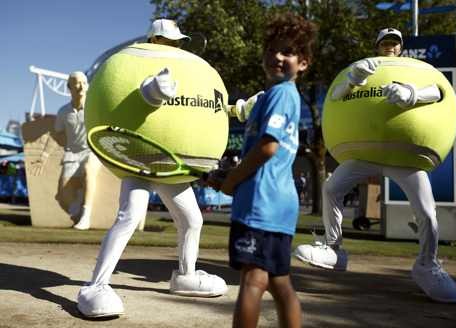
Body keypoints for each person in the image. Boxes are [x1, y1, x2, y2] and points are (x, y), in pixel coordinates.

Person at [294, 28, 456, 303]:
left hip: (405, 158)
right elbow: (336, 96)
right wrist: (352, 81)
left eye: (394, 43)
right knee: (332, 188)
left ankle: (427, 265)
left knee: (428, 214)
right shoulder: (364, 69)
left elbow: (440, 92)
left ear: (400, 47)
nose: (390, 47)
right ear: (376, 45)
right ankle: (333, 248)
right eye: (384, 42)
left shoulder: (415, 71)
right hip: (364, 152)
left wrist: (412, 94)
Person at [76, 18, 228, 318]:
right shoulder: (141, 63)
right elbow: (138, 94)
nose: (175, 46)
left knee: (192, 219)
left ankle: (186, 275)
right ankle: (96, 285)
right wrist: (151, 92)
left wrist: (235, 109)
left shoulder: (185, 68)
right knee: (130, 216)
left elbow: (197, 107)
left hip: (170, 165)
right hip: (139, 160)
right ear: (155, 40)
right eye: (169, 41)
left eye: (177, 42)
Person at [209, 13, 317, 328]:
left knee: (253, 280)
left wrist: (232, 179)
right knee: (279, 282)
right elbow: (265, 150)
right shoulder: (271, 97)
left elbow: (268, 147)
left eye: (287, 52)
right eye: (271, 50)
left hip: (261, 205)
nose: (277, 57)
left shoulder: (282, 94)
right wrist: (226, 177)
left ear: (304, 63)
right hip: (277, 206)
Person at [54, 71, 102, 230]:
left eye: (84, 82)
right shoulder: (63, 112)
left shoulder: (95, 107)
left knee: (89, 169)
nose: (81, 86)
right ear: (69, 87)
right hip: (72, 154)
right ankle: (78, 211)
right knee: (62, 196)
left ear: (88, 86)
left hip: (93, 151)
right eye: (76, 82)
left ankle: (86, 217)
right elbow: (58, 133)